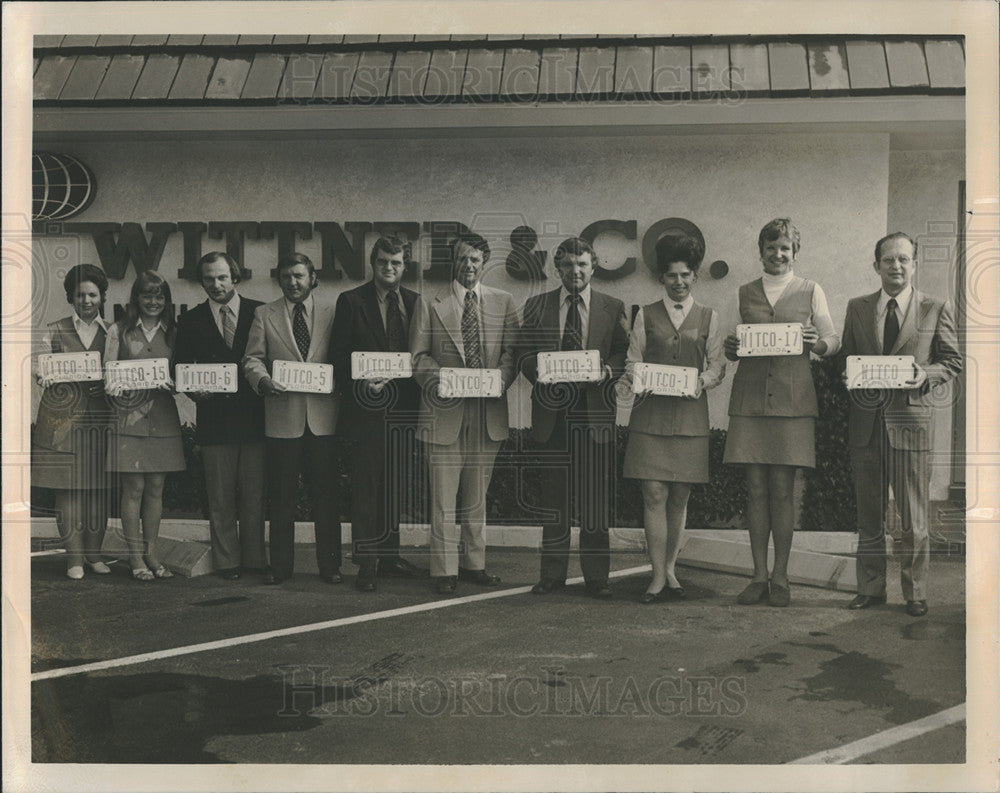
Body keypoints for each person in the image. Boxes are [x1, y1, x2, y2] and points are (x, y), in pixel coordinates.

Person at [840, 232, 961, 617]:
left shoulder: (934, 308)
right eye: (888, 259)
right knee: (869, 514)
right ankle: (871, 588)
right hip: (867, 425)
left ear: (914, 264)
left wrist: (924, 375)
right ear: (876, 265)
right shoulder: (857, 308)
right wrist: (848, 376)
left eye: (903, 259)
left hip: (910, 424)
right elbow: (847, 358)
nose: (896, 266)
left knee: (913, 516)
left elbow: (952, 362)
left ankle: (916, 592)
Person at [722, 218, 840, 607]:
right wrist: (731, 347)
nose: (778, 254)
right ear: (761, 251)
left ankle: (782, 577)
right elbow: (728, 344)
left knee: (782, 491)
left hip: (792, 402)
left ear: (795, 253)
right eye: (771, 247)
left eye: (785, 248)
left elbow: (832, 338)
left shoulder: (811, 290)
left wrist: (817, 343)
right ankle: (757, 576)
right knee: (755, 490)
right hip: (752, 401)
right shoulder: (742, 293)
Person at [518, 237, 629, 598]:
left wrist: (606, 373)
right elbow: (523, 355)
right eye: (567, 265)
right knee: (554, 499)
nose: (575, 271)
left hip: (594, 413)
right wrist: (544, 371)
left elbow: (622, 353)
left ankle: (597, 578)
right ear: (557, 268)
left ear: (593, 267)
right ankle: (552, 575)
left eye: (582, 264)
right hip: (553, 414)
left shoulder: (613, 307)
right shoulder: (537, 306)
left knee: (594, 500)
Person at [411, 232, 518, 595]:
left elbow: (510, 355)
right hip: (444, 411)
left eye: (475, 259)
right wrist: (440, 379)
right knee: (443, 497)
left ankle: (475, 564)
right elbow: (418, 358)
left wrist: (501, 380)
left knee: (477, 496)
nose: (468, 265)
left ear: (484, 263)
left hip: (486, 412)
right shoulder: (430, 303)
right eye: (462, 259)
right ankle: (443, 569)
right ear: (452, 263)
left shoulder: (504, 302)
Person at [622, 235, 726, 603]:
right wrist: (638, 378)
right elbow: (633, 361)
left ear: (695, 276)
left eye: (685, 275)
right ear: (661, 279)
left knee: (679, 498)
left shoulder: (710, 317)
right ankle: (655, 576)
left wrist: (703, 380)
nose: (678, 282)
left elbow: (716, 365)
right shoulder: (645, 315)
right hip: (650, 417)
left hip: (690, 419)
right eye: (671, 276)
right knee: (653, 494)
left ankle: (670, 571)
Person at [330, 236, 428, 592]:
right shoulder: (351, 301)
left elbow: (420, 358)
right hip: (364, 411)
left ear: (405, 266)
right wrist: (361, 386)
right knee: (366, 489)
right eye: (384, 261)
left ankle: (389, 556)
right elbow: (339, 360)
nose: (390, 268)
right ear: (373, 264)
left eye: (397, 262)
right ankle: (366, 562)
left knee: (393, 488)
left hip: (402, 410)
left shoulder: (416, 303)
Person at [243, 252, 342, 585]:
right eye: (286, 276)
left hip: (323, 418)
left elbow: (341, 357)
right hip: (282, 418)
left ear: (313, 277)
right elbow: (252, 359)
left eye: (299, 275)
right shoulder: (263, 314)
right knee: (281, 499)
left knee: (326, 498)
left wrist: (338, 379)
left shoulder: (332, 311)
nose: (292, 282)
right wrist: (262, 380)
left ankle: (330, 567)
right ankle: (280, 567)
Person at [173, 251, 266, 581]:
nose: (216, 284)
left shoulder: (260, 312)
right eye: (209, 278)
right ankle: (228, 562)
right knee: (220, 496)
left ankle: (255, 559)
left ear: (234, 277)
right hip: (214, 419)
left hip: (255, 418)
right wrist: (191, 390)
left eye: (222, 277)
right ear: (202, 281)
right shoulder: (191, 319)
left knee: (254, 496)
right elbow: (180, 368)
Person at [33, 264, 114, 580]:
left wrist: (107, 381)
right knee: (67, 491)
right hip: (61, 422)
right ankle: (74, 559)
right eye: (80, 294)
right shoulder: (54, 329)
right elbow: (40, 367)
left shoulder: (112, 332)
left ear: (101, 296)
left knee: (97, 491)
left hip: (99, 420)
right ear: (71, 297)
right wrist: (47, 375)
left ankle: (94, 555)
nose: (87, 300)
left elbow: (119, 369)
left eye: (92, 294)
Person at [105, 270, 184, 581]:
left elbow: (182, 376)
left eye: (160, 296)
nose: (154, 301)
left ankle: (151, 553)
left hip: (163, 418)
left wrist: (175, 383)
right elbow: (109, 374)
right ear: (136, 298)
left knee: (155, 489)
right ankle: (135, 556)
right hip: (129, 419)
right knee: (133, 488)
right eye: (148, 295)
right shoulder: (119, 331)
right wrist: (117, 385)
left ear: (166, 300)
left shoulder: (175, 332)